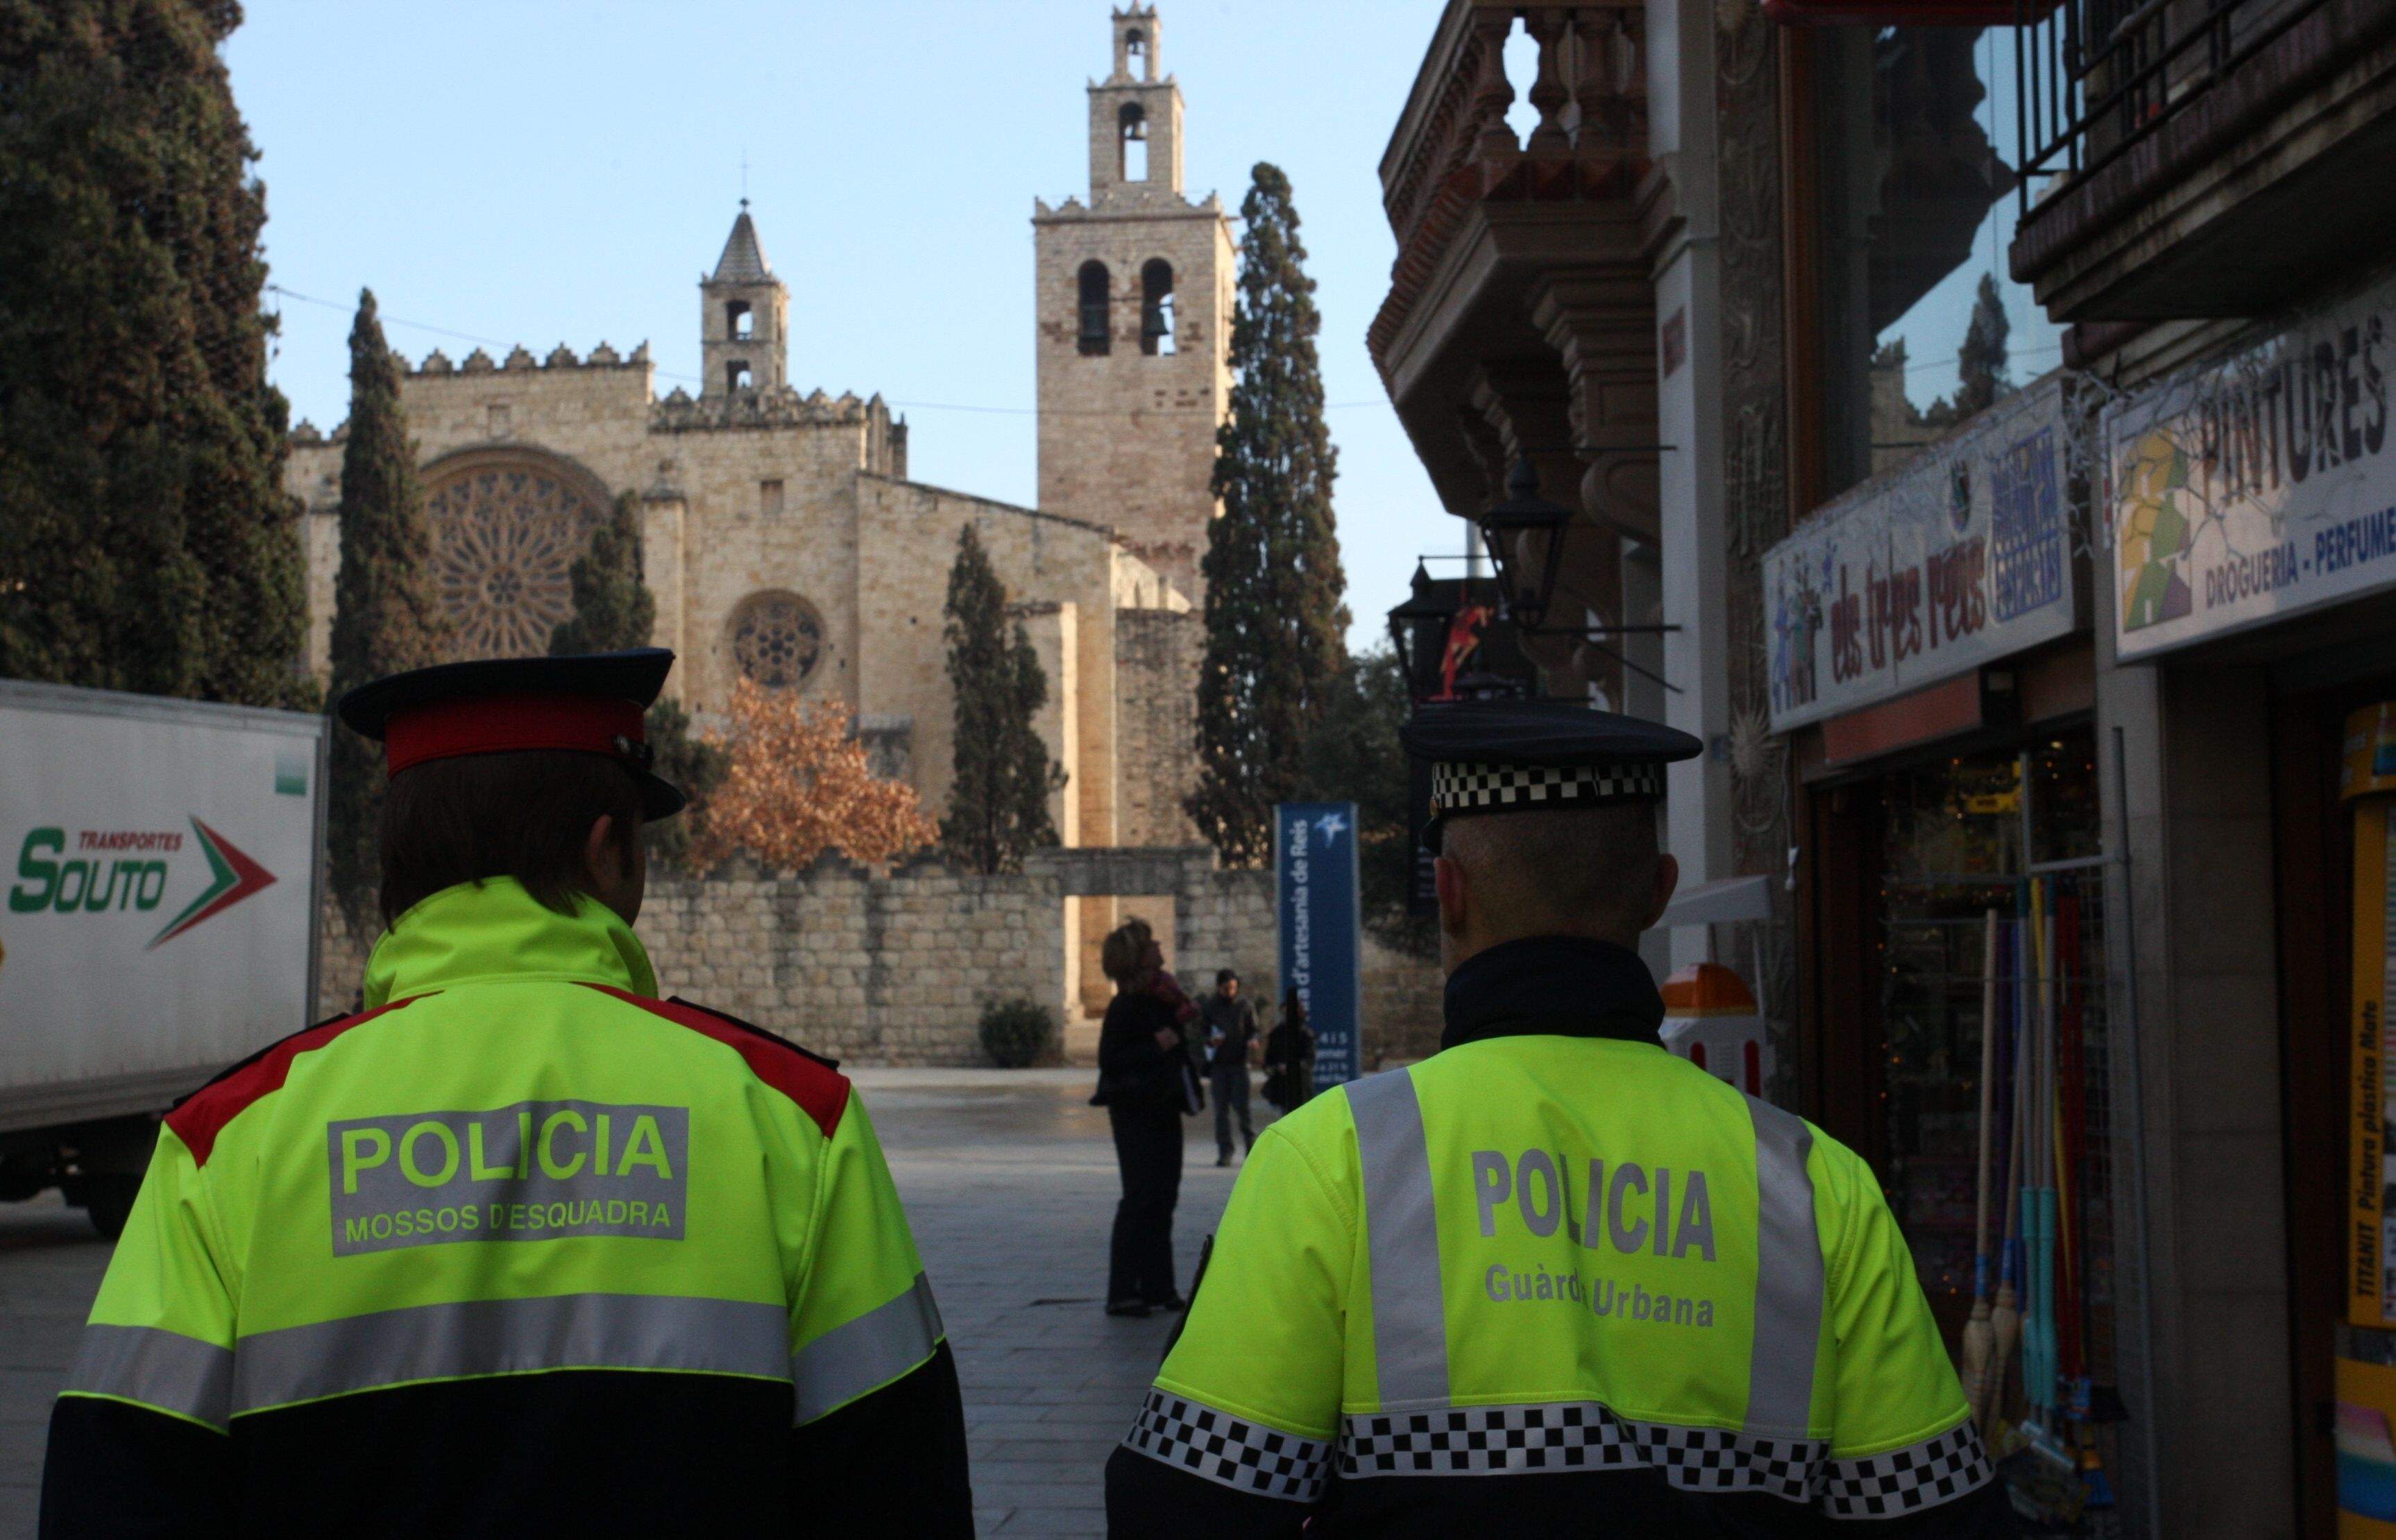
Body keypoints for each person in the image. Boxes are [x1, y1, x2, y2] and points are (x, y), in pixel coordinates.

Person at [42, 649, 974, 1537]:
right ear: (609, 852)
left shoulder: (224, 1144)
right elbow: (897, 1490)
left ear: (395, 871)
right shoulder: (794, 1121)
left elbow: (119, 1489)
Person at [1107, 698, 2008, 1538]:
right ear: (1657, 890)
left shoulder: (1328, 1161)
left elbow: (1182, 1506)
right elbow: (1931, 1511)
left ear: (1447, 891)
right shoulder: (1817, 1188)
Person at [1093, 921, 1191, 1317]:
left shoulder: (1166, 999)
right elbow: (1110, 1060)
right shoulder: (1125, 1007)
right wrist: (1154, 1045)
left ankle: (1159, 1286)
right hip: (1135, 1111)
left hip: (1165, 1105)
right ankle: (1123, 1291)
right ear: (1137, 957)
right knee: (1139, 1195)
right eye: (1151, 943)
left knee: (1164, 1195)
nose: (1159, 946)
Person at [1201, 970, 1258, 1165]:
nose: (1230, 992)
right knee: (1221, 1112)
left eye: (1233, 988)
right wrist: (1211, 1042)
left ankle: (1252, 1148)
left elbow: (1254, 1030)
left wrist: (1252, 1041)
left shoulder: (1244, 1006)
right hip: (1220, 1065)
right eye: (1226, 988)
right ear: (1219, 988)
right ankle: (1225, 1151)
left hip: (1239, 1064)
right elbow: (1203, 1034)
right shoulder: (1211, 1007)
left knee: (1243, 1109)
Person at [1261, 987, 1315, 1114]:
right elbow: (1269, 1060)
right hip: (1282, 1086)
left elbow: (1309, 1060)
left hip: (1301, 1086)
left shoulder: (1305, 1034)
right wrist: (1276, 1068)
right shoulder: (1277, 1033)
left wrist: (1292, 1066)